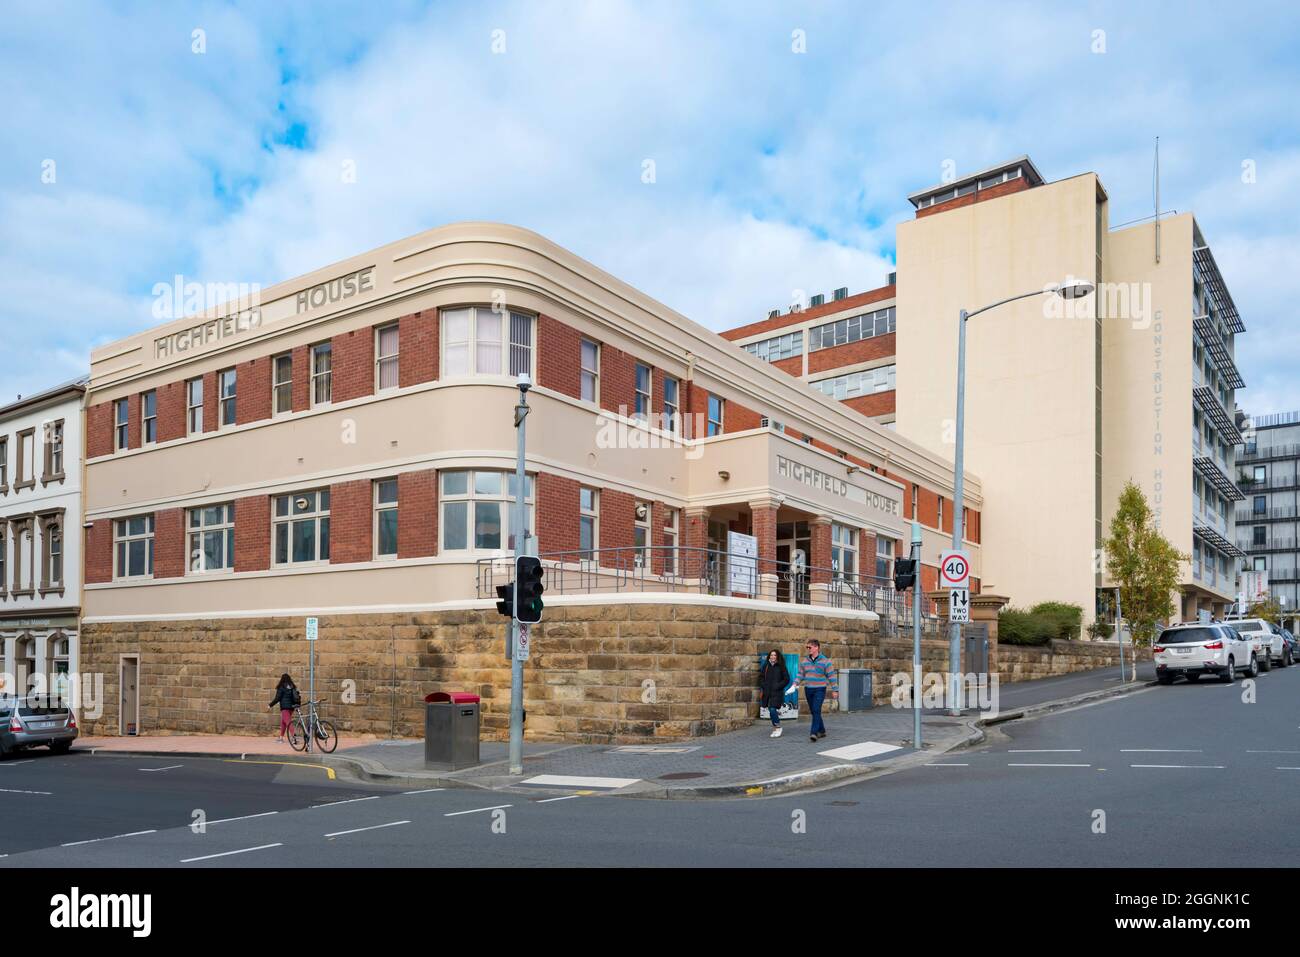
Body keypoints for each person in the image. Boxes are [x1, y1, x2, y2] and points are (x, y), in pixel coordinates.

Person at [796, 639, 838, 742]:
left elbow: (831, 676)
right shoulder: (805, 661)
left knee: (816, 709)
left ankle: (813, 733)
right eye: (807, 647)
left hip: (820, 689)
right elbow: (800, 674)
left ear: (816, 647)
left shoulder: (825, 661)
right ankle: (822, 730)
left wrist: (835, 690)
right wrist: (795, 683)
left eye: (809, 647)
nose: (808, 649)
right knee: (815, 711)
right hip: (808, 689)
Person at [759, 649, 793, 738]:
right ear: (769, 656)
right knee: (770, 710)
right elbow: (761, 678)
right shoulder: (766, 665)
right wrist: (764, 685)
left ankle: (778, 727)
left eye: (774, 655)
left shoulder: (781, 666)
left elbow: (787, 679)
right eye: (771, 655)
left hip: (777, 692)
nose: (773, 657)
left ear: (777, 656)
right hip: (767, 692)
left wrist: (778, 686)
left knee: (773, 709)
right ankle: (775, 728)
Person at [268, 673, 300, 743]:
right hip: (291, 707)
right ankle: (281, 738)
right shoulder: (292, 686)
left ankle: (294, 737)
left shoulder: (281, 687)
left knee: (288, 722)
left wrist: (270, 705)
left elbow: (277, 698)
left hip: (285, 707)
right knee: (283, 722)